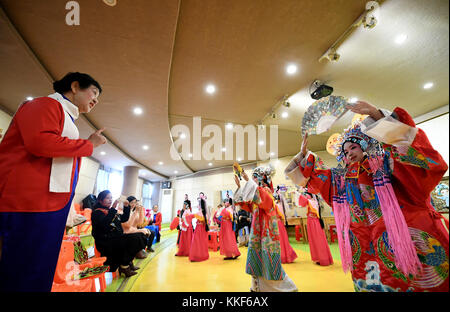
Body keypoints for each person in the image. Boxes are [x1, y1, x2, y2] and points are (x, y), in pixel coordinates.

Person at [285, 100, 449, 292]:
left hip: (406, 238)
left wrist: (378, 117)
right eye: (345, 151)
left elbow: (415, 157)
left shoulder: (387, 162)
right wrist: (304, 157)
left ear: (365, 145)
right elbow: (317, 180)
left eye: (353, 148)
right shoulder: (343, 178)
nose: (349, 154)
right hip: (366, 246)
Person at [0, 72, 106, 292]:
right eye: (93, 92)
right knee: (26, 267)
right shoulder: (45, 104)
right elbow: (40, 142)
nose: (95, 100)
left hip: (49, 202)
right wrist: (88, 145)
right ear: (75, 86)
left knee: (39, 266)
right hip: (30, 201)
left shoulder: (66, 116)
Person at [233, 166, 298, 292]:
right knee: (258, 258)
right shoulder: (256, 191)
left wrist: (248, 182)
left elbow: (265, 202)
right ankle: (257, 287)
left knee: (267, 259)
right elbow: (245, 205)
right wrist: (239, 187)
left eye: (254, 176)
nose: (252, 178)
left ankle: (286, 288)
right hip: (257, 230)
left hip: (266, 230)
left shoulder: (267, 190)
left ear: (262, 177)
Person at [91, 190, 149, 277]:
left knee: (141, 236)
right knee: (135, 239)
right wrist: (113, 208)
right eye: (107, 198)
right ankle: (124, 265)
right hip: (106, 242)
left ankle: (127, 262)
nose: (110, 200)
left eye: (111, 198)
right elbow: (105, 225)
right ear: (100, 200)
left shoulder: (109, 210)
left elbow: (123, 219)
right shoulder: (97, 212)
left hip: (116, 238)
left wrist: (126, 207)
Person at [302, 192, 333, 266]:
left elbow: (301, 202)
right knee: (317, 240)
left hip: (313, 222)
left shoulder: (311, 202)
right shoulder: (314, 202)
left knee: (318, 240)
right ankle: (321, 258)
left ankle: (322, 258)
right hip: (314, 221)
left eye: (306, 195)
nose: (306, 196)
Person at [274, 196, 298, 264]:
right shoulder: (279, 206)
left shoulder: (277, 206)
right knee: (282, 239)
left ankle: (284, 256)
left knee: (281, 239)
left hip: (278, 224)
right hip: (279, 223)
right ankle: (286, 255)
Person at [189, 195, 210, 262]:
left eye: (198, 204)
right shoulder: (204, 213)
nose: (198, 205)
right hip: (202, 228)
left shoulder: (200, 213)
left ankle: (198, 255)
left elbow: (193, 216)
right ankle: (201, 255)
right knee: (201, 242)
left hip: (199, 229)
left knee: (197, 242)